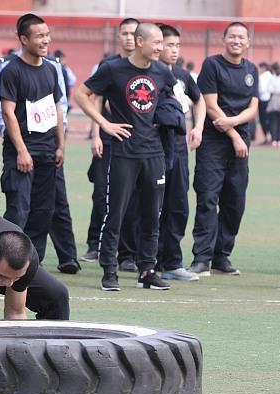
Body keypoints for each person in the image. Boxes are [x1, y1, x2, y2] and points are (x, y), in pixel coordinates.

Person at [75, 22, 175, 291]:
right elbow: (81, 94)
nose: (160, 48)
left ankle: (147, 270)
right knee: (115, 214)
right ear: (140, 41)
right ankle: (109, 271)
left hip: (154, 153)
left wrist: (169, 116)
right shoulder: (113, 69)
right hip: (123, 153)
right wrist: (103, 124)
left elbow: (175, 99)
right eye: (156, 43)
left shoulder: (163, 72)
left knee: (152, 215)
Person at [0, 24, 80, 274]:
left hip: (48, 152)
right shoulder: (11, 71)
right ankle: (3, 261)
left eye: (47, 35)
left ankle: (33, 263)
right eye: (40, 36)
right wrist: (21, 150)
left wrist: (61, 145)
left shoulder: (52, 69)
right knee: (19, 210)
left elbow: (58, 108)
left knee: (44, 211)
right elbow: (8, 113)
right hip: (22, 153)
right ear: (23, 39)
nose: (45, 40)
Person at [188, 22, 259, 277]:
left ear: (248, 42)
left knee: (235, 201)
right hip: (214, 142)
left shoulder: (252, 70)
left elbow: (253, 108)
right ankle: (202, 258)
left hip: (239, 140)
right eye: (232, 36)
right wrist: (233, 134)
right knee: (208, 198)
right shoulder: (212, 64)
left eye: (241, 37)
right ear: (224, 39)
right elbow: (210, 104)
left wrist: (234, 123)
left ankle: (222, 255)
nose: (236, 40)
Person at [80, 17, 139, 265]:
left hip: (136, 141)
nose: (128, 38)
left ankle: (127, 252)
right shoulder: (109, 65)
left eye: (132, 33)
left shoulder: (146, 66)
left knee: (132, 197)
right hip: (108, 136)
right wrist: (96, 135)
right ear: (119, 36)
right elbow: (97, 101)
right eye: (124, 33)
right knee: (102, 193)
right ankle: (96, 244)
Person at [156, 23, 205, 282]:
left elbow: (199, 100)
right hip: (153, 150)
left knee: (178, 206)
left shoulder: (182, 76)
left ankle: (172, 262)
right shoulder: (148, 74)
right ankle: (145, 259)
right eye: (168, 44)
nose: (174, 50)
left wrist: (198, 127)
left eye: (177, 45)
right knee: (151, 206)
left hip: (178, 149)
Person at [257, 61, 271, 143]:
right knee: (270, 119)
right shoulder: (270, 75)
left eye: (259, 68)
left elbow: (262, 89)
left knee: (263, 119)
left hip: (263, 100)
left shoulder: (262, 77)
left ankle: (266, 137)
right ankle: (271, 137)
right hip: (269, 99)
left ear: (263, 68)